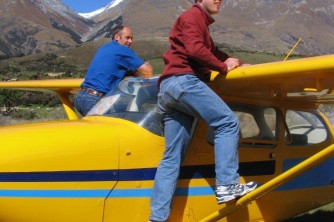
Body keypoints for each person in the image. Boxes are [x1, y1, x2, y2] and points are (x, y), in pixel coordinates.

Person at [149, 0, 257, 221]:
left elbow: (212, 51)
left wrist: (236, 62)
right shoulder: (193, 16)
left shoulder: (197, 22)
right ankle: (227, 185)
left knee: (171, 159)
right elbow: (195, 50)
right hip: (183, 82)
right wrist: (222, 67)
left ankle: (157, 218)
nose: (219, 0)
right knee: (227, 123)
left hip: (168, 90)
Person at [74, 26, 153, 116]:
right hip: (95, 101)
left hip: (81, 97)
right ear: (116, 37)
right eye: (127, 38)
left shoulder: (104, 48)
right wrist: (146, 62)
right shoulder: (121, 50)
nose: (130, 41)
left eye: (131, 38)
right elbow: (148, 71)